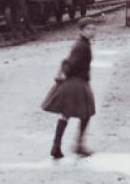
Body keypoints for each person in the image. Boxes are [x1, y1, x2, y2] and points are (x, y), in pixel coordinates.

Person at [41, 17, 97, 158]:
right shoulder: (81, 45)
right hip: (77, 83)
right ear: (81, 30)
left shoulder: (83, 43)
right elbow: (71, 62)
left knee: (67, 114)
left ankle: (57, 147)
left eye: (94, 29)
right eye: (88, 29)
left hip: (75, 82)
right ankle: (78, 145)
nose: (92, 32)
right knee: (86, 113)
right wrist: (65, 74)